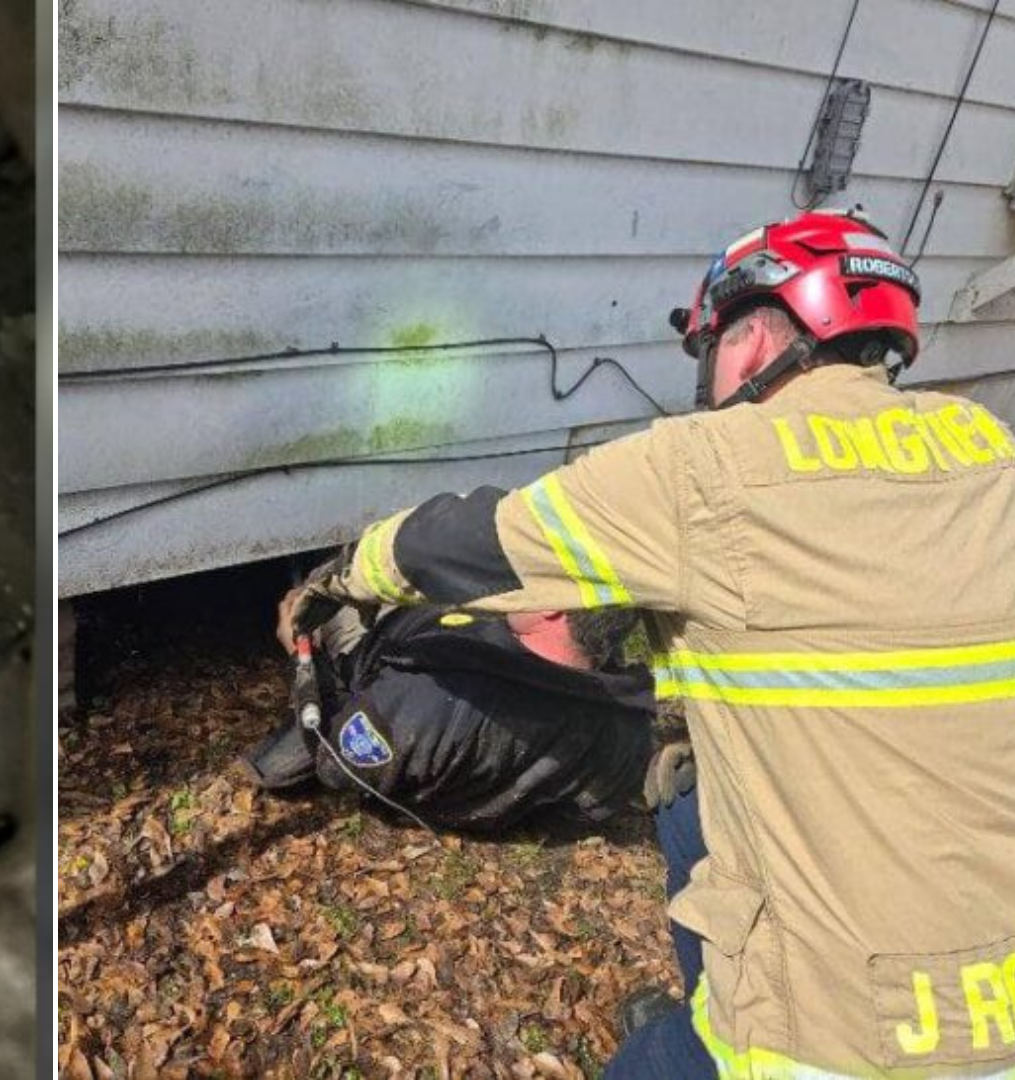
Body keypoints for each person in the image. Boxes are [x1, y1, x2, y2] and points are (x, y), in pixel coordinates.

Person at [292, 208, 1015, 1077]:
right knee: (685, 806)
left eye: (707, 347)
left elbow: (466, 543)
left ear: (749, 339)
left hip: (845, 1039)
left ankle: (713, 1024)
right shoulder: (993, 452)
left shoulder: (704, 468)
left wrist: (336, 579)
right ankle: (711, 975)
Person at [240, 586, 656, 833]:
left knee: (309, 600)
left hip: (374, 649)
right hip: (428, 630)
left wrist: (301, 658)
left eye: (533, 573)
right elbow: (586, 810)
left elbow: (337, 765)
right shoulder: (626, 722)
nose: (520, 578)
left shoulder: (430, 698)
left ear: (553, 608)